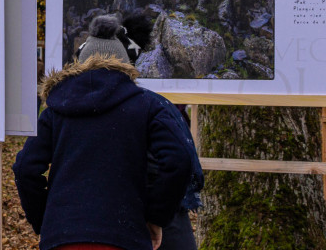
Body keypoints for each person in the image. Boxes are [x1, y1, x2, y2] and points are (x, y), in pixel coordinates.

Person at [13, 14, 203, 250]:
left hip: (61, 237)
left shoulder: (55, 109)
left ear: (79, 65)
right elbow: (178, 159)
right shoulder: (148, 105)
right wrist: (156, 217)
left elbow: (25, 168)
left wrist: (46, 219)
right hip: (125, 236)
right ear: (125, 65)